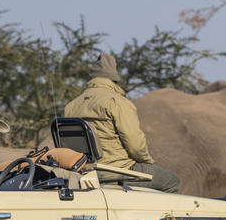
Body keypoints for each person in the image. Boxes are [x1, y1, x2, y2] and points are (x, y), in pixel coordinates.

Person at [64, 53, 180, 193]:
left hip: (83, 170)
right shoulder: (117, 102)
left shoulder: (71, 106)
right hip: (117, 170)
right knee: (172, 182)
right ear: (114, 79)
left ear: (92, 78)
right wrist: (147, 161)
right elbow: (135, 145)